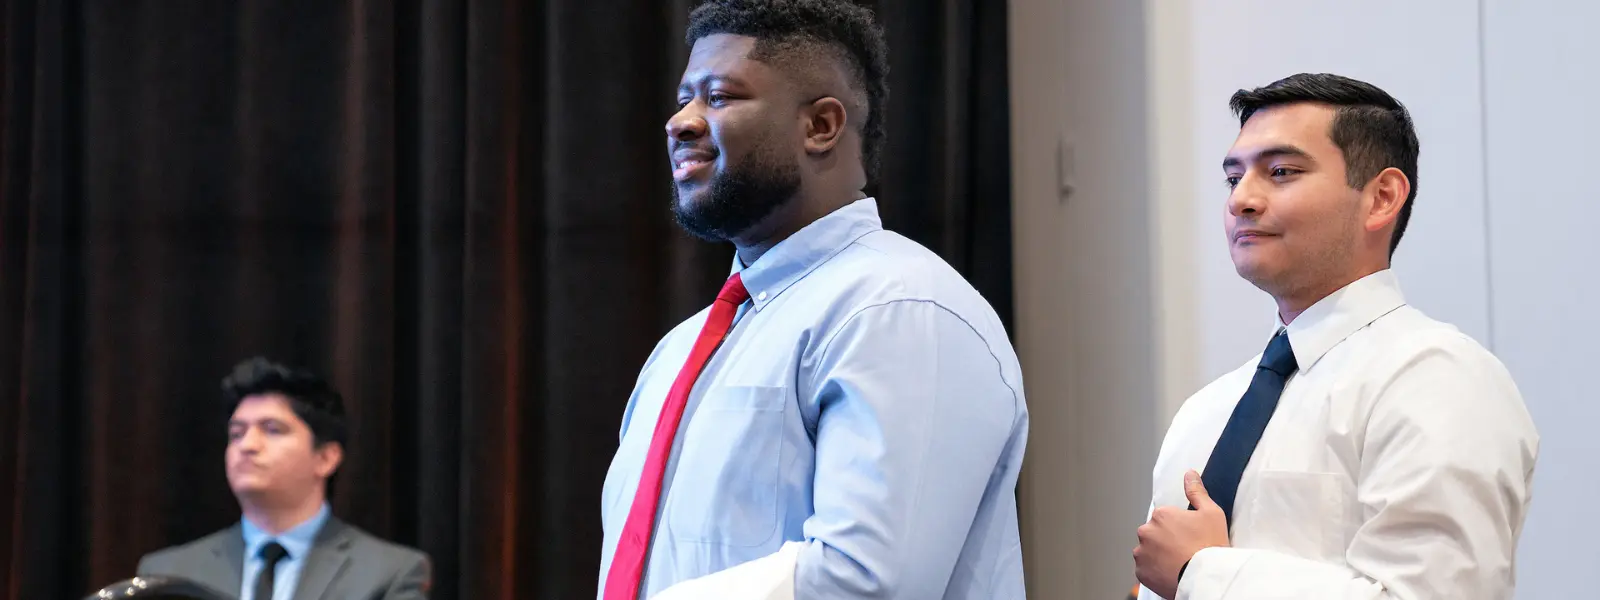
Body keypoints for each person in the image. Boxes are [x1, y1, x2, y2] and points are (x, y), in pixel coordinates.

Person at [595, 1, 1029, 599]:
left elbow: (869, 581)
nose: (681, 122)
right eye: (684, 98)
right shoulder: (681, 348)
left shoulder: (899, 310)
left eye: (719, 96)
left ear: (821, 126)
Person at [1132, 73, 1539, 599]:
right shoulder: (1205, 411)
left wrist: (1201, 573)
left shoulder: (1440, 380)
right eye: (1234, 179)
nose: (1242, 201)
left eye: (1280, 172)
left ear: (1381, 198)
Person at [137, 357, 431, 600]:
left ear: (326, 458)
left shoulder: (389, 572)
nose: (248, 445)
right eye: (236, 433)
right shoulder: (169, 573)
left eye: (272, 429)